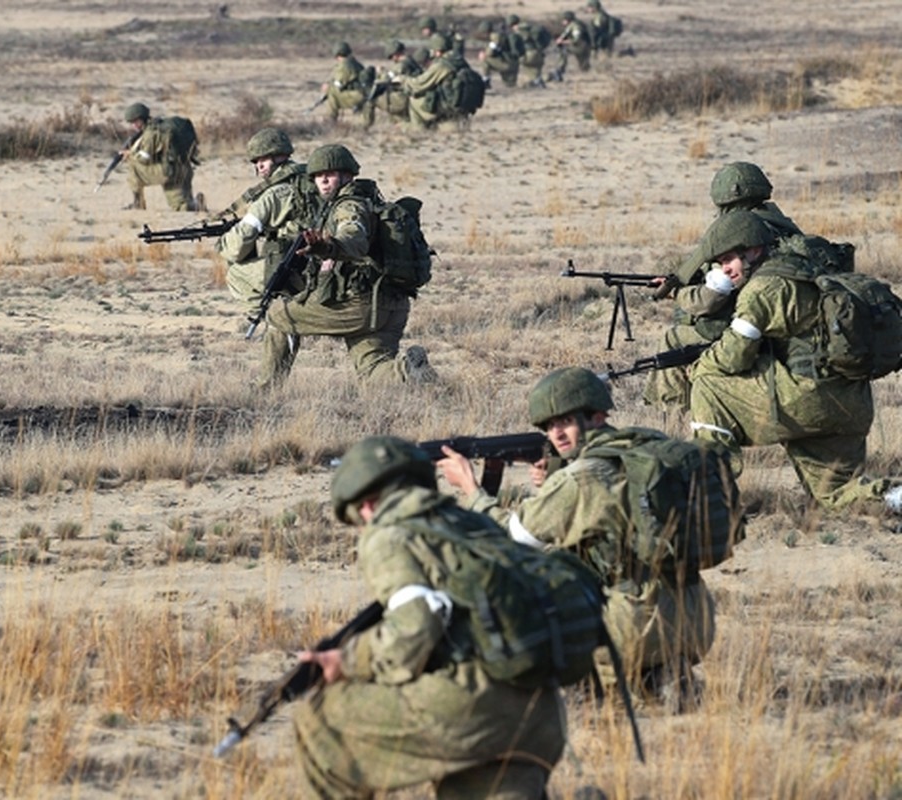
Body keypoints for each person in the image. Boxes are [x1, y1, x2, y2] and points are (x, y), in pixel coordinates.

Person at [294, 435, 566, 799]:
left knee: (320, 720)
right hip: (543, 713)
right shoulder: (474, 522)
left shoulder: (390, 531)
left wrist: (348, 660)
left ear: (367, 503)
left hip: (476, 707)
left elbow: (418, 622)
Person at [438, 367, 718, 704]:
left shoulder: (582, 478)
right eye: (549, 425)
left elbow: (513, 539)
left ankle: (582, 686)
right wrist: (551, 484)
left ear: (596, 416)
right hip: (696, 619)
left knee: (526, 573)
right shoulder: (648, 447)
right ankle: (663, 677)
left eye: (565, 421)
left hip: (633, 626)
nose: (556, 432)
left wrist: (471, 489)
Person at [686, 211, 902, 513]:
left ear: (753, 250)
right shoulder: (811, 267)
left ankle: (710, 497)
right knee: (836, 495)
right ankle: (894, 497)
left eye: (728, 261)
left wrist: (698, 364)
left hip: (807, 401)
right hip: (851, 405)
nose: (725, 271)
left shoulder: (763, 288)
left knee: (707, 384)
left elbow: (733, 357)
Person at [257, 144, 435, 388]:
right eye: (319, 175)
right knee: (373, 370)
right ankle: (410, 371)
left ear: (348, 175)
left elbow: (353, 235)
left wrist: (329, 246)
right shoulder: (371, 201)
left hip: (357, 304)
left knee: (279, 315)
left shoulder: (348, 206)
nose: (324, 180)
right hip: (391, 305)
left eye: (331, 174)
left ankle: (265, 389)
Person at [645, 162, 803, 409]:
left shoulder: (738, 232)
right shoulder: (784, 227)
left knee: (674, 338)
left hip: (746, 330)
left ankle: (670, 416)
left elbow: (709, 301)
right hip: (783, 325)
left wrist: (676, 292)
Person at [215, 128, 318, 317]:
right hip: (321, 263)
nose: (259, 167)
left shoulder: (271, 195)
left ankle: (274, 321)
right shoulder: (312, 180)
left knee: (236, 274)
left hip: (297, 268)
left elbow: (237, 247)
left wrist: (223, 243)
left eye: (263, 160)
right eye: (256, 161)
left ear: (279, 156)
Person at [119, 102, 202, 212]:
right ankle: (196, 204)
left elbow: (144, 159)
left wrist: (130, 155)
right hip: (185, 169)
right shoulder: (162, 126)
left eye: (134, 122)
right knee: (182, 204)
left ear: (140, 120)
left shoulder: (150, 133)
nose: (133, 126)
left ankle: (138, 203)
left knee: (133, 164)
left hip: (169, 173)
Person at [403, 34, 463, 129]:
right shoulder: (460, 61)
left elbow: (420, 83)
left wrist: (404, 80)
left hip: (447, 106)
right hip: (461, 107)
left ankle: (419, 129)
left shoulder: (441, 65)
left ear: (437, 50)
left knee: (413, 100)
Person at [373, 40, 423, 124]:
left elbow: (386, 79)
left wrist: (380, 73)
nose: (392, 59)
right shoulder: (411, 61)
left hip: (406, 97)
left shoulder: (401, 65)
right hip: (413, 96)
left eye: (391, 56)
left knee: (372, 100)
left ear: (395, 54)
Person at [322, 42, 371, 125]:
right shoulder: (355, 63)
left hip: (356, 95)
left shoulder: (344, 65)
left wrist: (328, 87)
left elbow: (338, 84)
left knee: (331, 93)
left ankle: (329, 121)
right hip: (363, 94)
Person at [479, 17, 525, 88]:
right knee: (510, 86)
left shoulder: (495, 37)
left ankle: (486, 81)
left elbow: (490, 52)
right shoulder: (507, 35)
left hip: (507, 64)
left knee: (485, 59)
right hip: (514, 63)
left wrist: (484, 54)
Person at [550, 11, 593, 81]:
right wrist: (560, 39)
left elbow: (576, 39)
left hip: (582, 47)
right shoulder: (571, 25)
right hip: (581, 47)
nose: (562, 21)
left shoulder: (576, 26)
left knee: (564, 50)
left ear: (568, 19)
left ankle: (560, 70)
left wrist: (563, 42)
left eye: (563, 20)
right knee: (584, 66)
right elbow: (564, 35)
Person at [512, 15, 551, 88]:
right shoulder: (532, 30)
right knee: (536, 70)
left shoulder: (519, 32)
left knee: (525, 66)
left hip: (528, 54)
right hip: (539, 53)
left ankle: (537, 81)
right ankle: (538, 80)